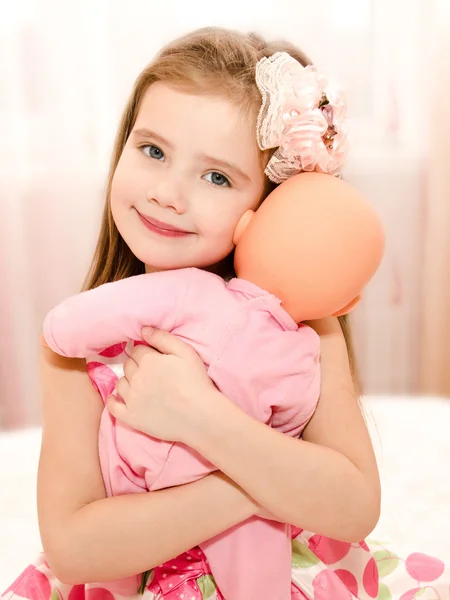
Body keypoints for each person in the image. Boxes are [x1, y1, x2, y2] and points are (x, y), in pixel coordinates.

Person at [2, 26, 447, 600]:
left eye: (216, 176)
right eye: (153, 150)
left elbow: (354, 505)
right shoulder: (78, 343)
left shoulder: (303, 325)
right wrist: (258, 484)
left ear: (267, 203)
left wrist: (200, 417)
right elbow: (74, 546)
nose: (168, 192)